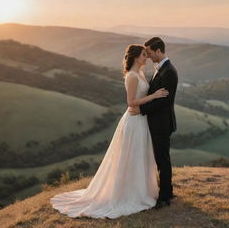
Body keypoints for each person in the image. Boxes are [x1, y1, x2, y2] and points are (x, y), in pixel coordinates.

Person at [50, 44, 169, 219]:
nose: (147, 57)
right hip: (134, 121)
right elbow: (130, 102)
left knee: (139, 156)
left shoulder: (141, 73)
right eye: (144, 55)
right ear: (136, 57)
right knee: (131, 156)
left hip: (141, 120)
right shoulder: (132, 76)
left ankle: (140, 191)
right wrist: (154, 96)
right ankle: (128, 194)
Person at [129, 37, 178, 209]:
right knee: (160, 159)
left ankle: (165, 196)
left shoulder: (169, 72)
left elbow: (164, 101)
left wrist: (141, 110)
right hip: (155, 122)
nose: (148, 56)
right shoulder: (161, 69)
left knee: (162, 160)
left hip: (162, 124)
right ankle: (166, 190)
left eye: (149, 52)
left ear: (158, 51)